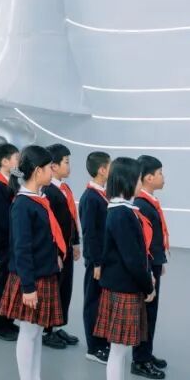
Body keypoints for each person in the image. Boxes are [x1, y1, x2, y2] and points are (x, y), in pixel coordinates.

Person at [0, 145, 65, 380]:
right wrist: (28, 287)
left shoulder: (39, 198)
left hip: (43, 274)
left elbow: (42, 238)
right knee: (28, 332)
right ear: (38, 171)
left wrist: (54, 255)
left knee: (36, 332)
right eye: (49, 168)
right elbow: (22, 248)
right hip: (31, 279)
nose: (53, 171)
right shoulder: (23, 204)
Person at [95, 157, 153, 380]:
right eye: (139, 178)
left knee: (121, 350)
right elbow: (132, 258)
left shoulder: (121, 210)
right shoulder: (121, 214)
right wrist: (148, 285)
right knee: (117, 352)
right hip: (124, 288)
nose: (141, 183)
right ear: (129, 181)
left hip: (122, 286)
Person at [132, 155, 170, 379]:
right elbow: (142, 243)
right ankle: (140, 359)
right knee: (145, 313)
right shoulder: (141, 205)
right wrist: (149, 270)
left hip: (154, 263)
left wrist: (159, 260)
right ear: (148, 178)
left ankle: (146, 353)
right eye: (160, 173)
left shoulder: (149, 202)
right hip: (147, 267)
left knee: (151, 312)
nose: (163, 177)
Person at [41, 144, 80, 348]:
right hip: (57, 250)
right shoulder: (48, 191)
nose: (69, 166)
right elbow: (49, 227)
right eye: (66, 162)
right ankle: (46, 330)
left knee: (65, 288)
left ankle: (57, 326)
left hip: (67, 247)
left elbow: (72, 218)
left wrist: (75, 242)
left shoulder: (64, 189)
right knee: (53, 289)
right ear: (54, 166)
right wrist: (55, 252)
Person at [80, 151, 111, 363]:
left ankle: (102, 341)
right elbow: (89, 233)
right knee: (93, 302)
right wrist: (96, 261)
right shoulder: (90, 197)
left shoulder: (103, 194)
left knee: (102, 302)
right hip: (96, 260)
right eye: (110, 166)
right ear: (101, 170)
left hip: (104, 258)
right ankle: (93, 347)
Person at [0, 142, 20, 341]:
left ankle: (8, 319)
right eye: (16, 158)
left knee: (11, 282)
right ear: (5, 161)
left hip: (13, 241)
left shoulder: (13, 181)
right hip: (4, 242)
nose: (19, 162)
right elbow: (0, 219)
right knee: (4, 282)